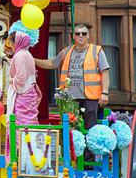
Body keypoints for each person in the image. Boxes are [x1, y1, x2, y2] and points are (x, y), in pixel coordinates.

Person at [34, 24, 110, 162]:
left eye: (84, 33)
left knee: (89, 129)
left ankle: (88, 162)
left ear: (88, 36)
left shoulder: (97, 51)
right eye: (78, 33)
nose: (81, 36)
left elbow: (104, 72)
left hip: (90, 97)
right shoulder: (67, 51)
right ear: (73, 36)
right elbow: (51, 63)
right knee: (71, 129)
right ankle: (72, 160)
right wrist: (32, 60)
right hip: (70, 99)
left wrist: (105, 93)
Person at [6, 23, 41, 161]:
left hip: (22, 95)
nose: (11, 45)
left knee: (19, 125)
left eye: (12, 42)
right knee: (29, 124)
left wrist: (10, 81)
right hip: (30, 93)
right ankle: (31, 155)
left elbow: (20, 79)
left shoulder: (19, 56)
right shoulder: (27, 54)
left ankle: (20, 157)